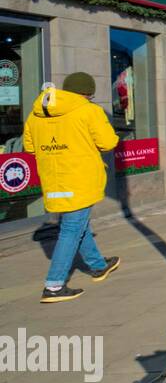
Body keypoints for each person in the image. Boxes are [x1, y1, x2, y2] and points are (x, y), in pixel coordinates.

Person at [23, 73, 120, 303]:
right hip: (80, 179)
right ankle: (54, 285)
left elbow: (29, 147)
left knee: (77, 224)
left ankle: (98, 265)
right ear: (87, 93)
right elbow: (108, 142)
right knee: (71, 229)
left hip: (53, 180)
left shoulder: (37, 113)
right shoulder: (89, 111)